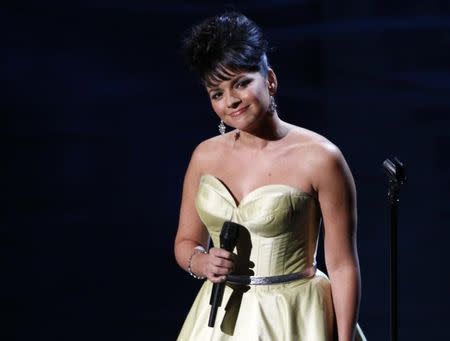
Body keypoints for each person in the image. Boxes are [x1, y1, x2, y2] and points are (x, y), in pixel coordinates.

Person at [174, 12, 367, 341]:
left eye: (241, 83)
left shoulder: (321, 158)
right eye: (216, 93)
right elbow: (185, 243)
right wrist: (201, 262)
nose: (230, 100)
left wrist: (345, 338)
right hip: (220, 320)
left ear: (271, 80)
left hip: (294, 316)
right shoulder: (204, 156)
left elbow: (343, 265)